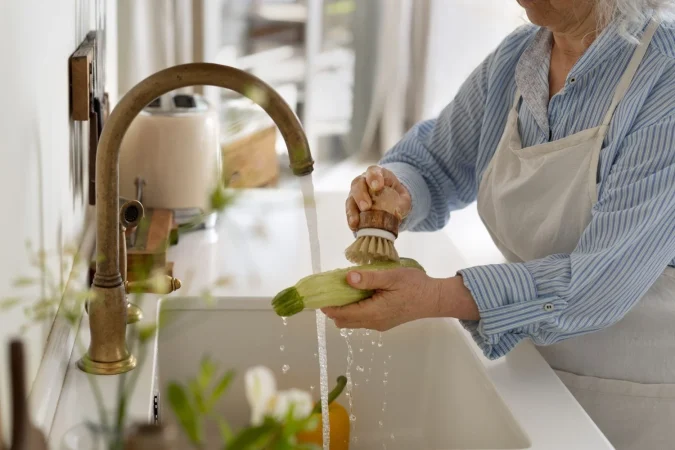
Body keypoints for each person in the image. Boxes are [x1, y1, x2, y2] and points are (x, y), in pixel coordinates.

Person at [321, 1, 675, 449]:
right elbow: (434, 160)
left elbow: (599, 282)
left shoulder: (666, 79)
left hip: (635, 398)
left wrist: (434, 296)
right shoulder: (520, 57)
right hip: (535, 372)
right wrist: (397, 192)